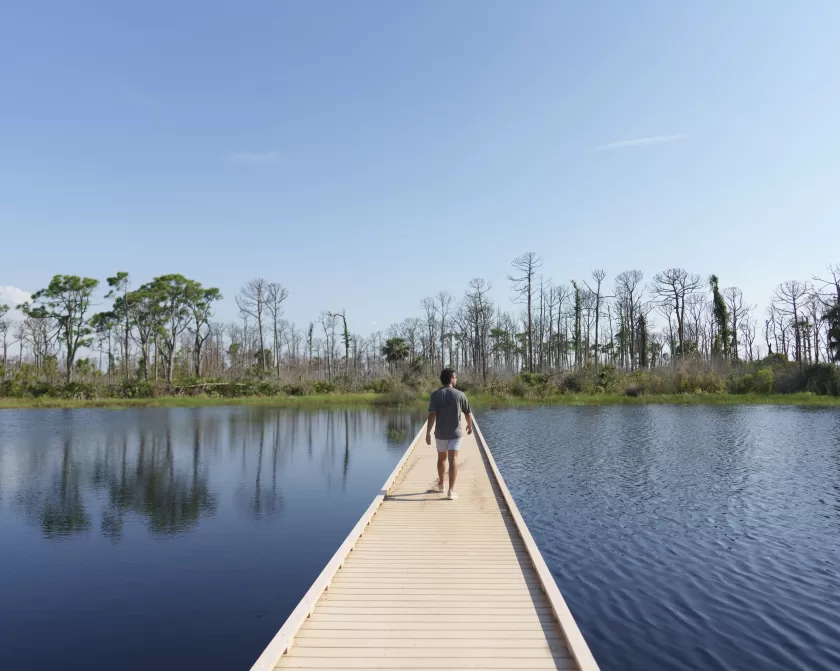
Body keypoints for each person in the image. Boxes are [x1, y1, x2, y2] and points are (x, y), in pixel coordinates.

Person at [425, 368, 472, 500]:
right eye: (455, 377)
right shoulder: (460, 394)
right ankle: (451, 490)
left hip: (440, 433)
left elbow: (431, 415)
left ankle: (441, 484)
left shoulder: (435, 395)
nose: (456, 379)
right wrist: (470, 425)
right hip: (455, 434)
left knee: (441, 458)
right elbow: (467, 413)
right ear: (451, 378)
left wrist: (428, 432)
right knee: (453, 460)